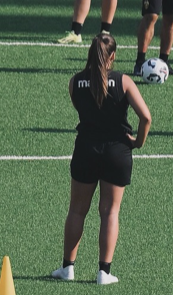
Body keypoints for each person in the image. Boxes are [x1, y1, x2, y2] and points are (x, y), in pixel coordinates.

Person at [51, 34, 151, 285]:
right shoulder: (124, 81)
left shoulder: (74, 82)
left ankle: (68, 268)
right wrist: (137, 142)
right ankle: (104, 273)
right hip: (117, 151)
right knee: (109, 212)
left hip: (86, 148)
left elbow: (82, 110)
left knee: (77, 210)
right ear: (113, 56)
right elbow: (146, 117)